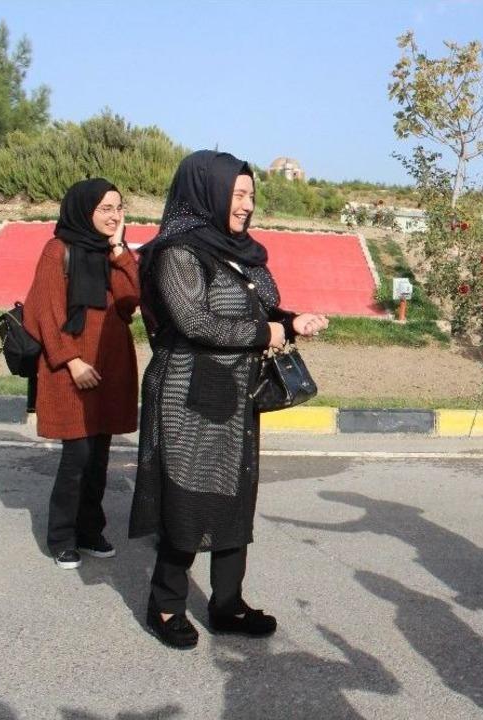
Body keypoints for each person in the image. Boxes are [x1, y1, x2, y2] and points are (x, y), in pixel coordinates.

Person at [128, 151, 329, 650]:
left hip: (235, 394)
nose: (247, 205)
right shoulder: (178, 251)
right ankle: (167, 604)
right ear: (209, 192)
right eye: (238, 194)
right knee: (188, 498)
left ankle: (227, 603)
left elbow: (257, 307)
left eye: (251, 195)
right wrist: (268, 332)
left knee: (235, 494)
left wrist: (291, 318)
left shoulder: (239, 250)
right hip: (187, 393)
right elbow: (194, 321)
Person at [23, 178, 139, 570]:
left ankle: (90, 530)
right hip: (71, 371)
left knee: (99, 457)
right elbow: (45, 310)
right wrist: (71, 361)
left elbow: (129, 303)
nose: (114, 215)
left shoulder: (110, 252)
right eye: (106, 208)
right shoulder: (57, 250)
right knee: (77, 457)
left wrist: (120, 250)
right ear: (83, 209)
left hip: (108, 369)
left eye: (119, 208)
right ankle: (61, 537)